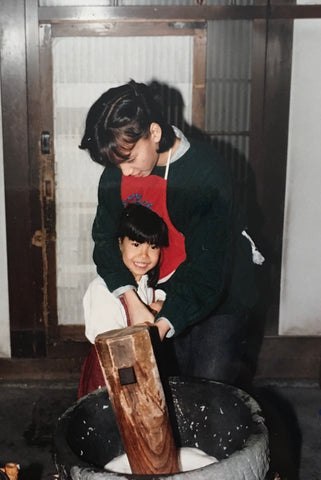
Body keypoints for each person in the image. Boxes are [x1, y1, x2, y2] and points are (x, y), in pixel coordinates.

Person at [79, 79, 259, 387]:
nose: (124, 172)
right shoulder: (118, 170)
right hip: (157, 290)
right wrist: (133, 301)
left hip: (220, 291)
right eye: (116, 163)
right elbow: (104, 241)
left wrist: (158, 327)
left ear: (155, 133)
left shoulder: (205, 171)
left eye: (131, 159)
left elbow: (207, 269)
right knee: (166, 393)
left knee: (209, 392)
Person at [78, 203, 169, 398]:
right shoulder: (102, 290)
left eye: (153, 247)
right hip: (110, 375)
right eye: (136, 245)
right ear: (120, 243)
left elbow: (162, 299)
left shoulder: (146, 284)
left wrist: (160, 306)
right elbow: (114, 346)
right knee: (109, 422)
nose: (144, 256)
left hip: (140, 372)